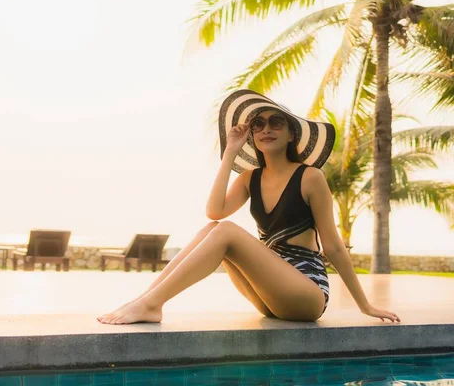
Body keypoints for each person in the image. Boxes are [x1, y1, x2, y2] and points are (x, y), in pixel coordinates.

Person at [97, 90, 401, 325]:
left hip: (306, 292)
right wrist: (230, 150)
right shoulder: (248, 178)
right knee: (214, 228)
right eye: (258, 124)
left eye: (276, 122)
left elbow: (334, 247)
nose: (266, 129)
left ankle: (151, 305)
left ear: (292, 133)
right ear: (252, 134)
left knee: (226, 231)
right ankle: (146, 299)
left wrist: (365, 305)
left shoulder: (310, 177)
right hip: (270, 296)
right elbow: (214, 211)